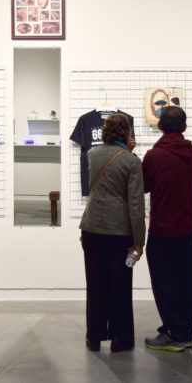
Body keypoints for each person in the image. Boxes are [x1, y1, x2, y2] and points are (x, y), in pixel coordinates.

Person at [79, 113, 146, 353]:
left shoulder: (92, 154)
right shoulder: (131, 161)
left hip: (92, 228)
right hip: (120, 232)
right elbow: (136, 205)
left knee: (95, 283)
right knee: (120, 285)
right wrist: (140, 241)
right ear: (127, 133)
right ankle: (121, 339)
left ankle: (94, 337)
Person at [142, 106, 192, 352]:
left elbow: (144, 187)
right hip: (187, 227)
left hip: (163, 228)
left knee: (164, 283)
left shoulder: (155, 156)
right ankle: (186, 331)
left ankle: (173, 333)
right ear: (185, 127)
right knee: (186, 280)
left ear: (159, 126)